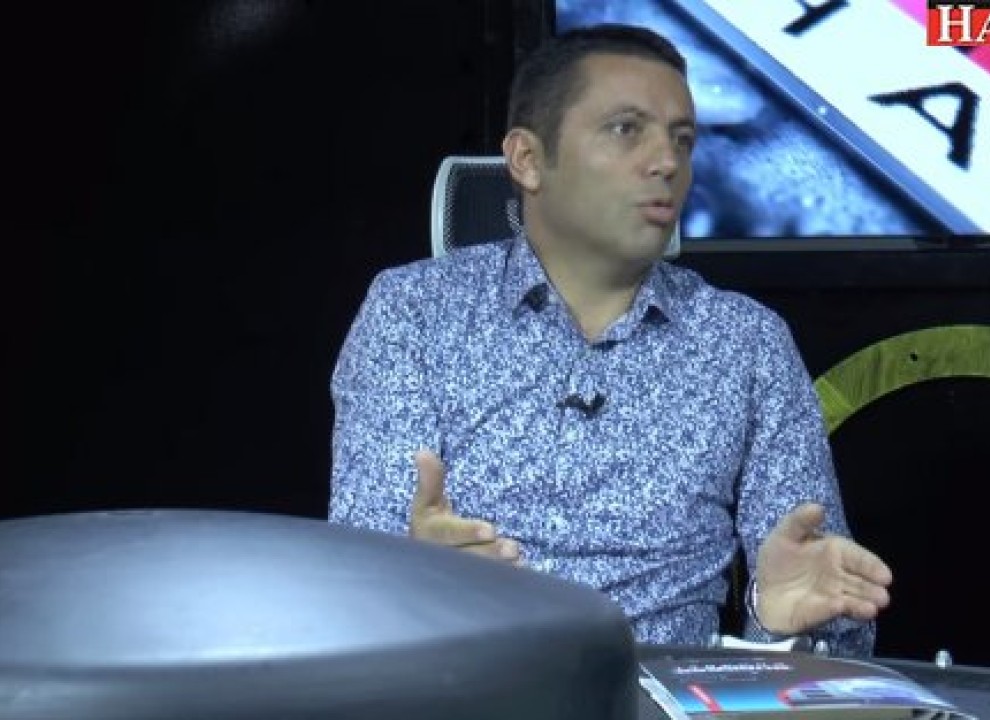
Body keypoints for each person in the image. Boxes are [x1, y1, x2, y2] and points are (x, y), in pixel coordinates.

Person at [327, 23, 892, 657]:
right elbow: (356, 587)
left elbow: (835, 632)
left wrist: (779, 621)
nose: (667, 162)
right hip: (468, 680)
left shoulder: (746, 341)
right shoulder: (413, 312)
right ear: (527, 160)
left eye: (683, 140)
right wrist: (410, 577)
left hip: (667, 691)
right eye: (627, 130)